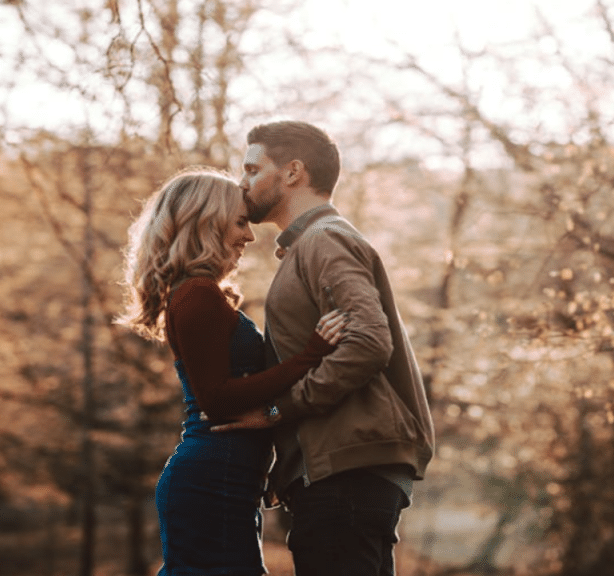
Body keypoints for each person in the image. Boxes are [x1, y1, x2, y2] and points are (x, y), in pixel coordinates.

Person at [216, 121, 435, 575]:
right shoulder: (309, 247)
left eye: (253, 169)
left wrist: (279, 411)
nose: (243, 182)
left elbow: (368, 341)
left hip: (345, 479)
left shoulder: (325, 240)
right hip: (339, 478)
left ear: (293, 171)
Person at [117, 166, 350, 576]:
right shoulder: (197, 294)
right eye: (240, 222)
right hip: (212, 479)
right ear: (207, 222)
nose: (249, 235)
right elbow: (218, 399)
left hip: (230, 478)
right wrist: (310, 355)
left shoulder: (201, 293)